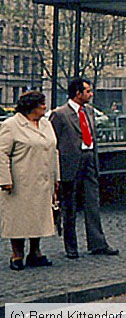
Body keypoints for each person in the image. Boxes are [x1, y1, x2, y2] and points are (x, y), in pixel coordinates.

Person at [50, 78, 118, 259]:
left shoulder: (89, 111)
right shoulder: (60, 114)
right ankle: (71, 247)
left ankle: (98, 243)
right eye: (88, 91)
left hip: (89, 160)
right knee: (69, 206)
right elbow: (53, 142)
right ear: (77, 93)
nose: (91, 94)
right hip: (70, 164)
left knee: (93, 203)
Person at [0, 91, 60, 271]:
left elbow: (53, 150)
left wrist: (57, 177)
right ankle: (16, 255)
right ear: (31, 106)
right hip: (20, 181)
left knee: (39, 218)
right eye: (41, 103)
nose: (45, 106)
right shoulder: (11, 125)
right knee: (19, 219)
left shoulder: (46, 124)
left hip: (43, 180)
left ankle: (35, 252)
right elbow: (1, 153)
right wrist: (5, 179)